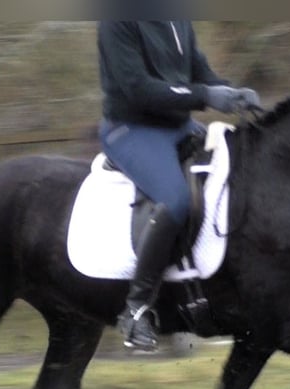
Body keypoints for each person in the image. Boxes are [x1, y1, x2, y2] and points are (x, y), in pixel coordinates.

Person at [97, 20, 260, 352]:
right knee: (176, 200)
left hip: (180, 126)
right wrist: (206, 95)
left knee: (242, 163)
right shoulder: (117, 22)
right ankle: (136, 308)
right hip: (131, 129)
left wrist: (230, 93)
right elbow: (139, 89)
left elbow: (199, 72)